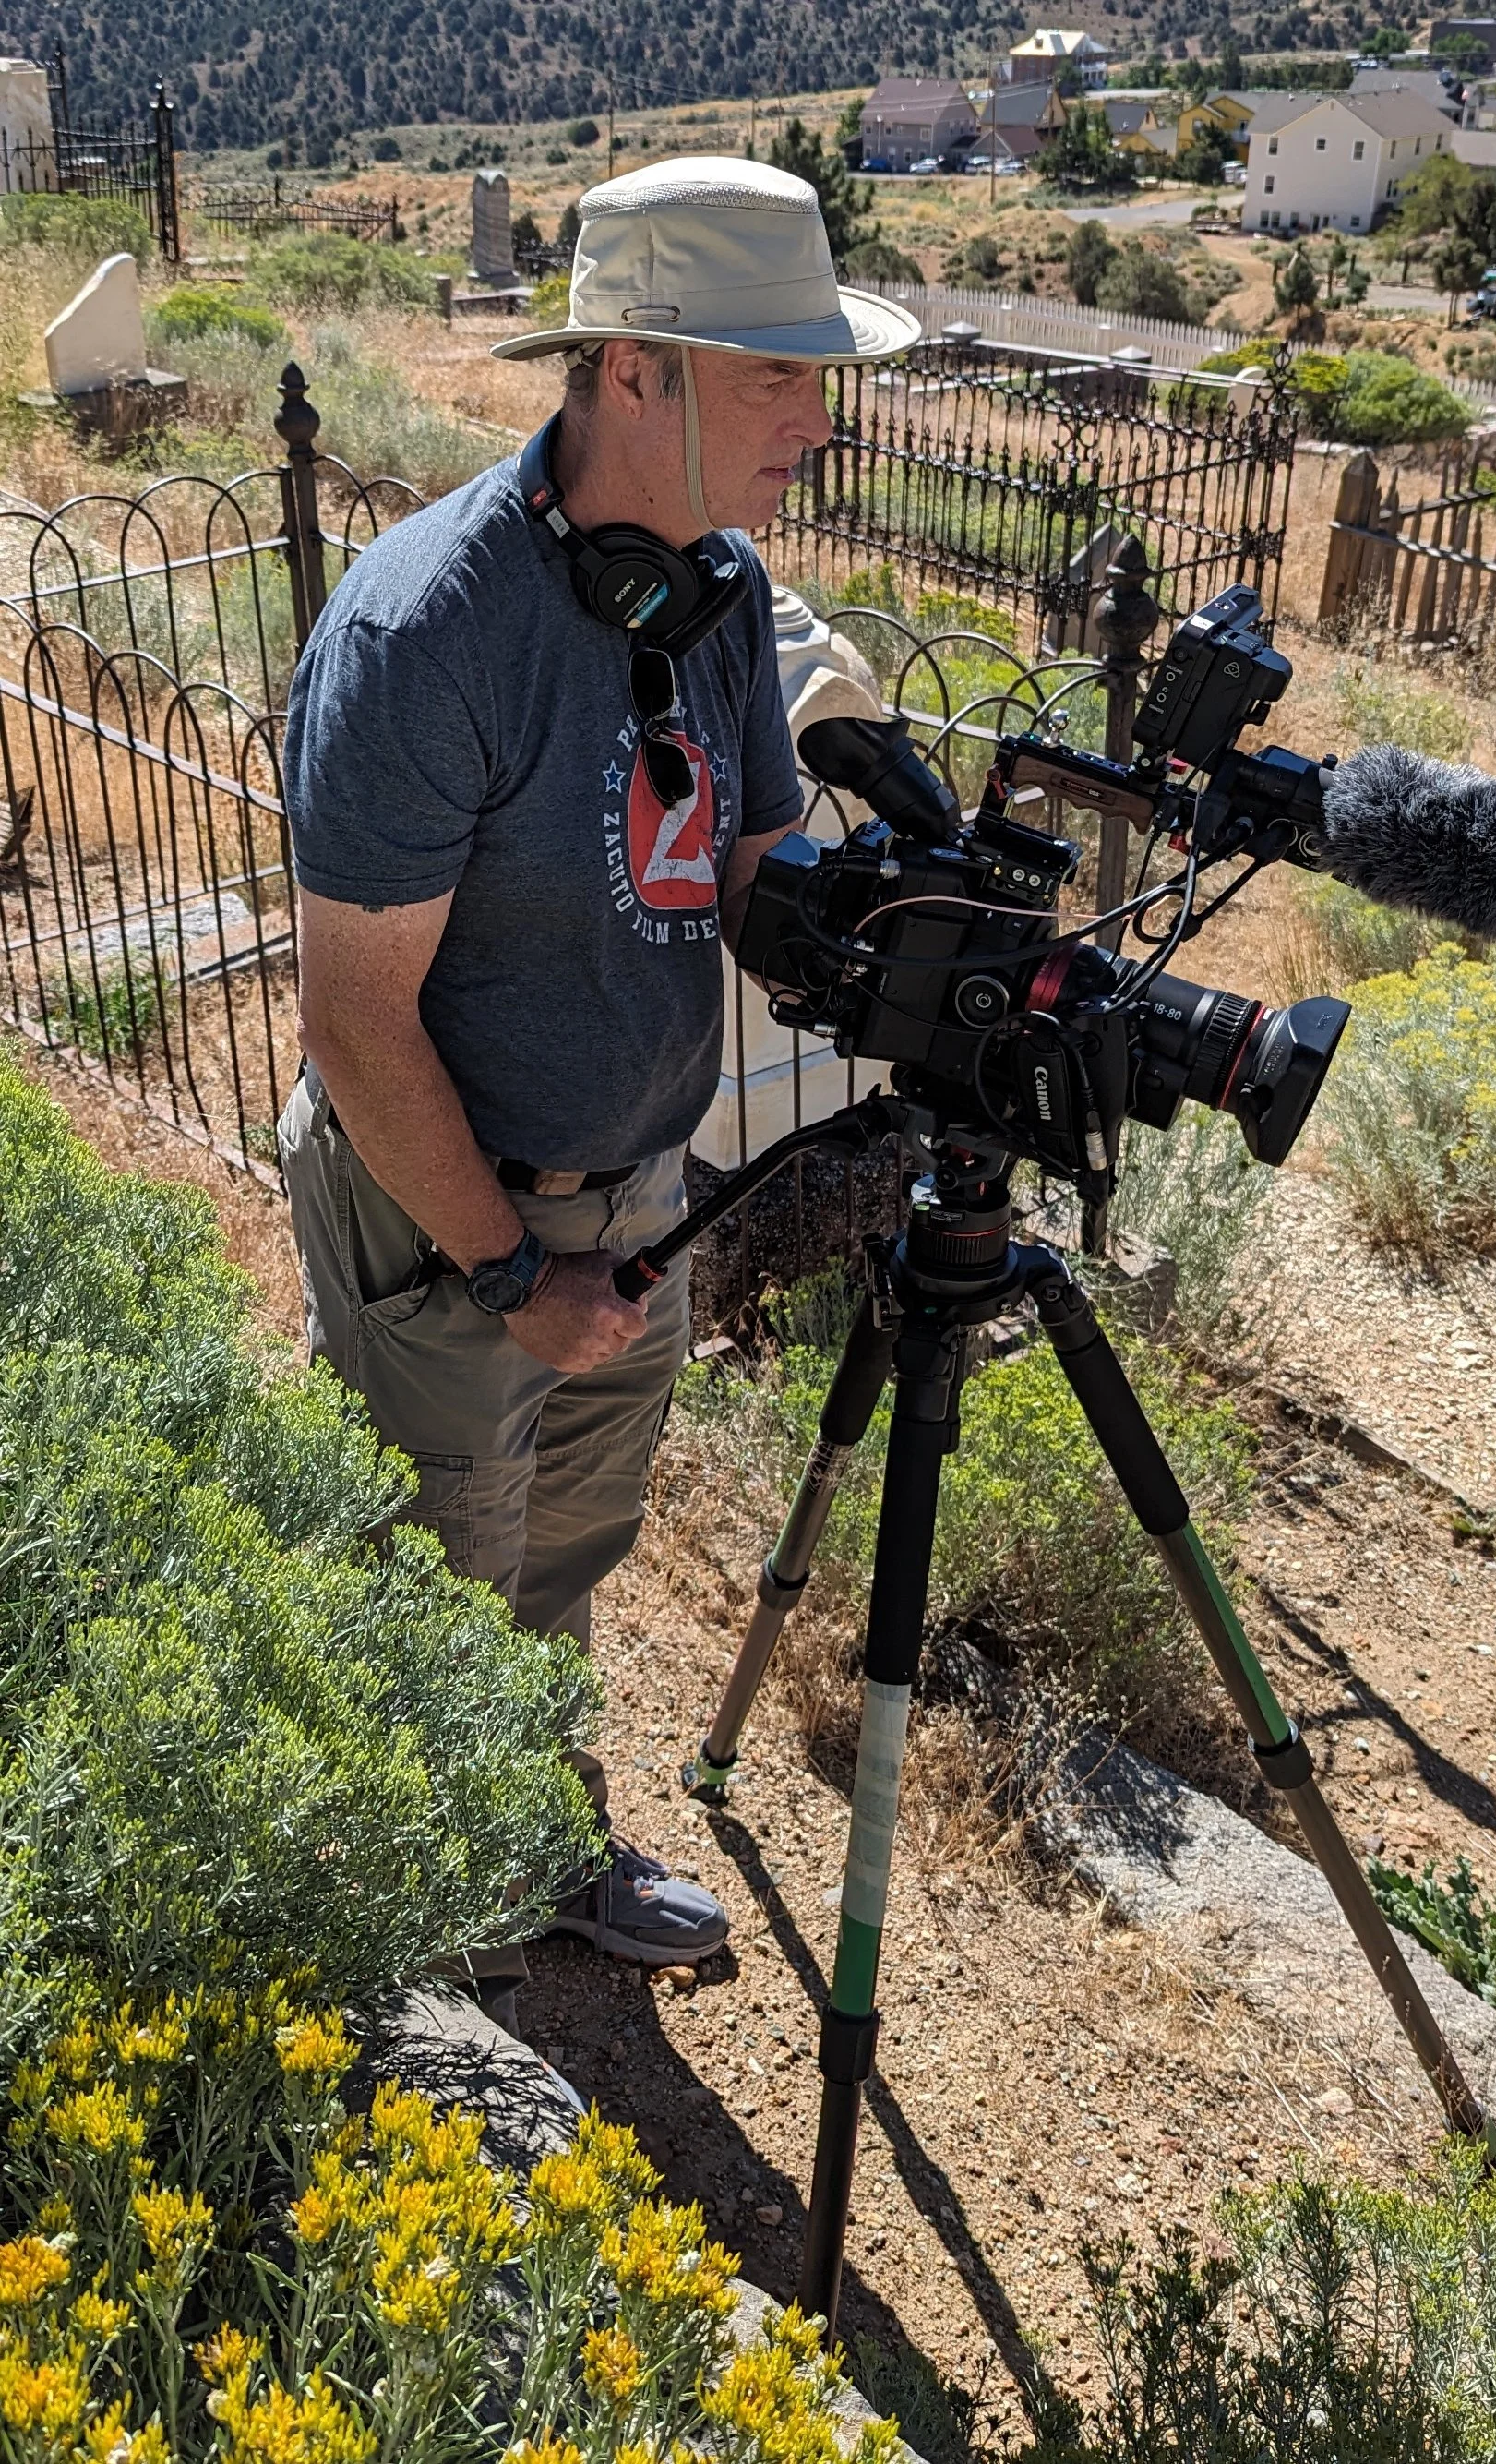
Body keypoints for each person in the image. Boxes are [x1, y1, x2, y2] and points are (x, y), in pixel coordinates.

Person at [277, 158, 919, 2027]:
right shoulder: (430, 635)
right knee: (432, 1561)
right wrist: (505, 1268)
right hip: (455, 1210)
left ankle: (532, 1836)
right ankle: (408, 1919)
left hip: (642, 1197)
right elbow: (352, 1021)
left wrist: (899, 942)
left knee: (557, 1554)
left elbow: (742, 881)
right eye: (779, 370)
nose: (822, 410)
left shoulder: (715, 595)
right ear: (632, 369)